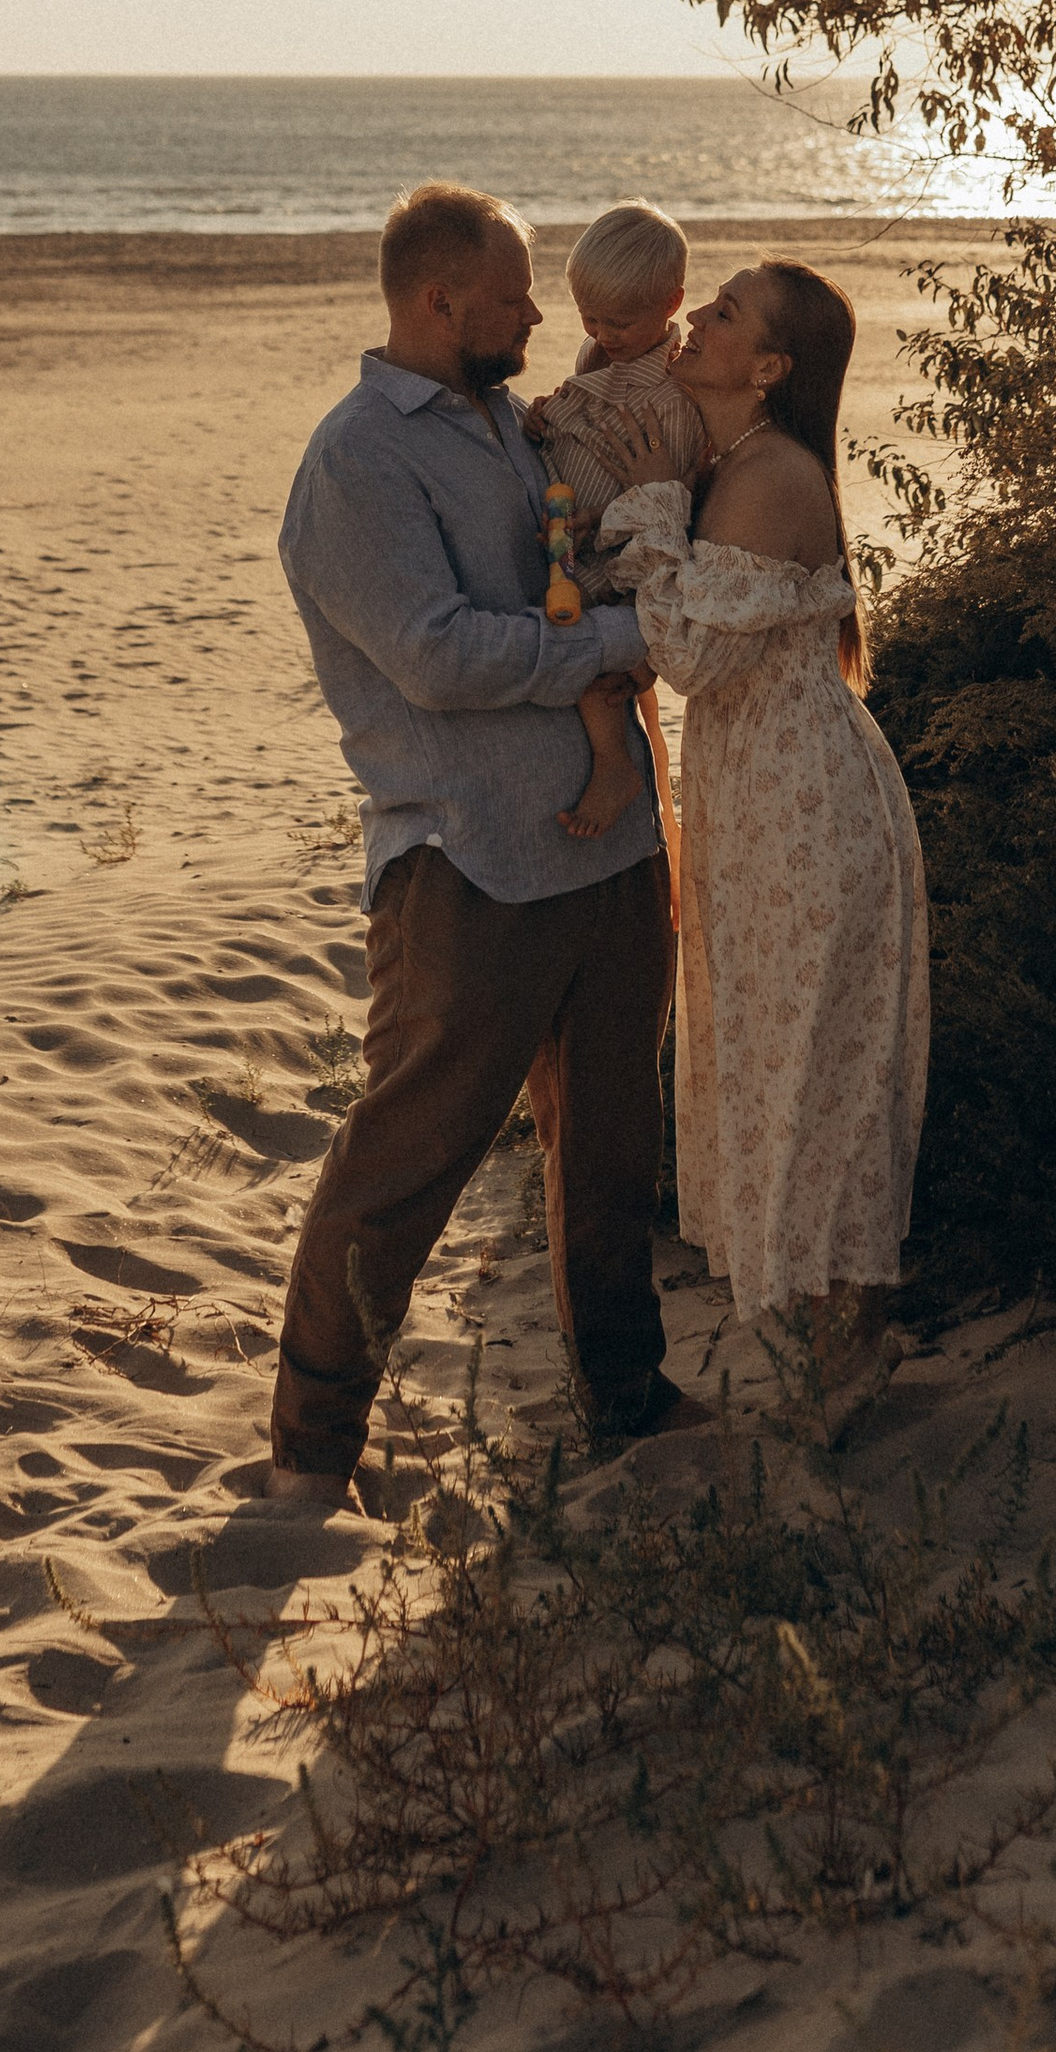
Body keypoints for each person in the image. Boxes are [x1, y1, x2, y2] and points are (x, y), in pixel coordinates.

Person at [268, 182, 705, 1504]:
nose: (537, 308)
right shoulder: (359, 462)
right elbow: (439, 656)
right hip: (472, 865)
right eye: (515, 290)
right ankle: (310, 1454)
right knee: (406, 1159)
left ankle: (628, 1394)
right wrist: (633, 646)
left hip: (613, 847)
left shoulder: (513, 427)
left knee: (614, 1150)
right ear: (434, 300)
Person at [602, 261, 929, 1396]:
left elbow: (691, 659)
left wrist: (647, 513)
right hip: (762, 799)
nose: (695, 318)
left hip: (800, 804)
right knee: (774, 1063)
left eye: (725, 314)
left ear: (771, 367)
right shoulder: (733, 461)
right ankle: (822, 1363)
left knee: (810, 1076)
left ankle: (835, 1367)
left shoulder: (771, 476)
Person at [523, 201, 707, 845]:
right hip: (576, 526)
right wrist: (543, 416)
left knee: (599, 669)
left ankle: (613, 767)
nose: (602, 332)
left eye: (619, 320)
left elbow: (695, 476)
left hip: (633, 545)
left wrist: (626, 511)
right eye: (588, 316)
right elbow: (580, 411)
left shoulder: (683, 390)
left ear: (672, 302)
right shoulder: (597, 359)